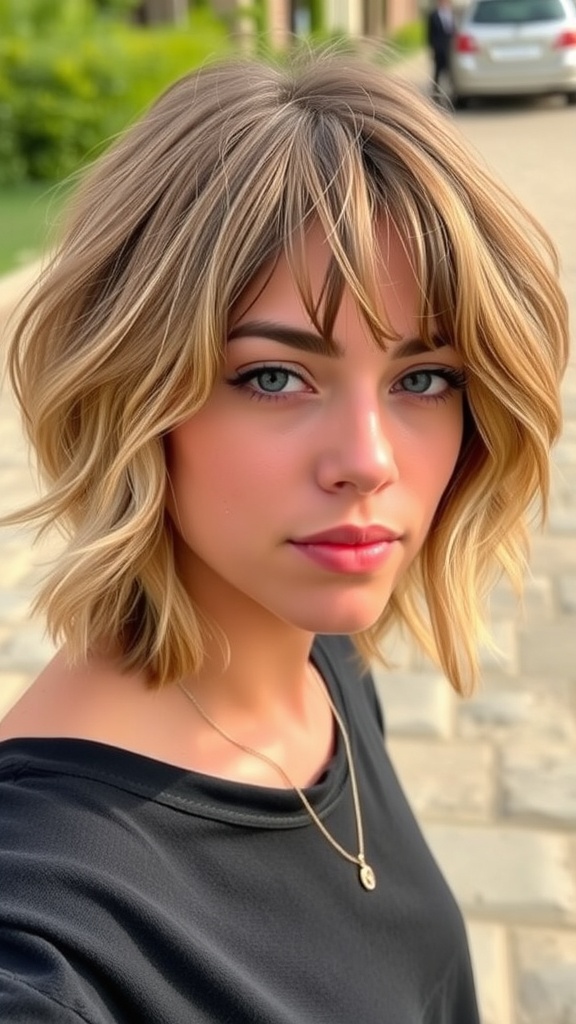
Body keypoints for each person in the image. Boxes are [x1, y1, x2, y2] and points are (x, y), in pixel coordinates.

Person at [0, 49, 568, 1024]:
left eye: (423, 377)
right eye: (274, 376)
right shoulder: (46, 927)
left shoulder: (325, 657)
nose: (368, 459)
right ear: (132, 392)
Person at [427, 0, 456, 102]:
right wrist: (432, 48)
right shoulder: (433, 16)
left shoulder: (451, 14)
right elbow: (429, 34)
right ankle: (436, 94)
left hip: (449, 49)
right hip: (438, 48)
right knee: (437, 73)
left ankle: (452, 94)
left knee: (450, 72)